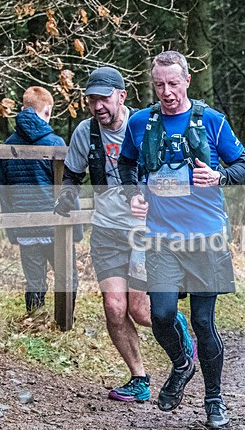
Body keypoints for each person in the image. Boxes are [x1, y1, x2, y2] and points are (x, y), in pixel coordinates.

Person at [118, 51, 245, 430]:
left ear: (187, 81)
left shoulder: (211, 121)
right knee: (159, 315)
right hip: (161, 237)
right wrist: (134, 193)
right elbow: (127, 164)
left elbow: (244, 165)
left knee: (202, 321)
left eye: (173, 84)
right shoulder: (141, 123)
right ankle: (182, 363)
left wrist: (219, 177)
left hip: (205, 237)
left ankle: (214, 400)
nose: (167, 92)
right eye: (159, 85)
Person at [54, 67, 195, 403]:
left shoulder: (147, 126)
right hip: (106, 230)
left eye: (104, 98)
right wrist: (66, 196)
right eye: (92, 99)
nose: (98, 105)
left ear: (122, 95)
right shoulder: (85, 133)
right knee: (114, 307)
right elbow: (73, 174)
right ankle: (139, 378)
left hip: (146, 229)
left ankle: (182, 337)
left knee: (142, 311)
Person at [0, 86, 81, 312]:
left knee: (34, 282)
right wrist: (78, 228)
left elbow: (4, 192)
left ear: (24, 108)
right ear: (47, 111)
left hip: (24, 227)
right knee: (68, 278)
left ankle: (35, 321)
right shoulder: (55, 144)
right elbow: (68, 188)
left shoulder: (8, 145)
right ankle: (64, 324)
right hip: (54, 226)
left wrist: (12, 230)